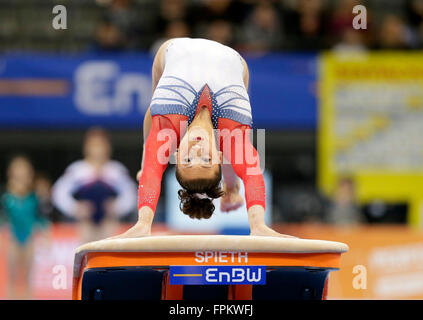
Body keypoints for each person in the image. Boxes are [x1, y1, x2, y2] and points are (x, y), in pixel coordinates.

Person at [112, 37, 294, 239]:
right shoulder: (233, 129)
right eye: (206, 160)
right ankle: (231, 185)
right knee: (238, 147)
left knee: (155, 130)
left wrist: (143, 223)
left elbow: (152, 175)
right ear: (217, 155)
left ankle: (148, 155)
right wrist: (258, 225)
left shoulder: (168, 125)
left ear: (177, 154)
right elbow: (253, 175)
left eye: (188, 161)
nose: (197, 152)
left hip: (171, 49)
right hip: (235, 62)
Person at [52, 128, 137, 243]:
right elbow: (58, 193)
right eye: (94, 146)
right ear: (86, 148)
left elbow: (131, 194)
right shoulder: (78, 170)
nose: (98, 150)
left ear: (108, 148)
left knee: (109, 242)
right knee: (87, 243)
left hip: (109, 221)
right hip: (85, 222)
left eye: (101, 145)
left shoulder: (116, 170)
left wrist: (117, 207)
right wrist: (75, 208)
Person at [0, 155, 50, 299]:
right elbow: (2, 219)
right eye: (18, 169)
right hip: (13, 240)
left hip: (29, 240)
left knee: (28, 278)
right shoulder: (6, 197)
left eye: (24, 169)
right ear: (11, 173)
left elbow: (40, 219)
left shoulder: (33, 197)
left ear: (30, 173)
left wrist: (46, 234)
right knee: (12, 278)